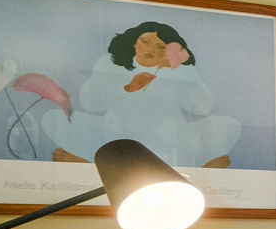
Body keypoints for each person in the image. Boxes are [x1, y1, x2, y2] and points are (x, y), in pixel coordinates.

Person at [46, 21, 241, 168]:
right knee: (54, 119)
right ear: (133, 42)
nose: (150, 49)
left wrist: (179, 72)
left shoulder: (182, 69)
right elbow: (91, 104)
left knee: (227, 125)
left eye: (160, 46)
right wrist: (126, 87)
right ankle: (90, 165)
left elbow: (202, 108)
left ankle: (202, 168)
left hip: (168, 135)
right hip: (115, 133)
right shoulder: (109, 62)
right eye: (145, 41)